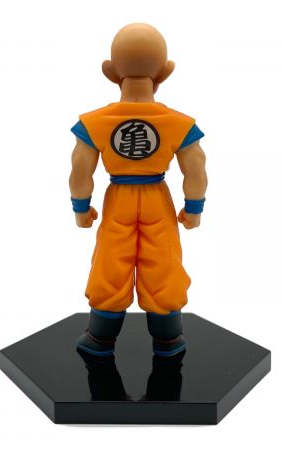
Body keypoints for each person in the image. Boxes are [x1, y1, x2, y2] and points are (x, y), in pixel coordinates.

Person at [69, 23, 208, 357]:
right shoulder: (179, 123)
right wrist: (194, 208)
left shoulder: (94, 122)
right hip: (157, 197)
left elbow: (80, 169)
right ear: (165, 72)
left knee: (110, 262)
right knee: (163, 262)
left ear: (110, 71)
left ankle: (101, 337)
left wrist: (80, 207)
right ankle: (168, 338)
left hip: (118, 199)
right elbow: (196, 168)